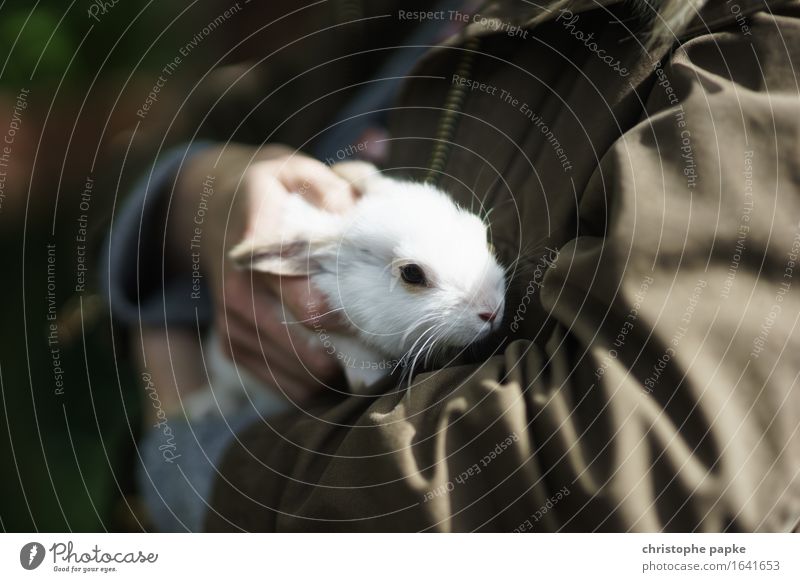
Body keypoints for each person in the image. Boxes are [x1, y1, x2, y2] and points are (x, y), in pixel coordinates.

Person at [104, 0, 800, 532]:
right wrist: (205, 192)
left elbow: (641, 469)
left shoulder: (749, 42)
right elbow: (220, 116)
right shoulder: (389, 19)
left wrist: (192, 461)